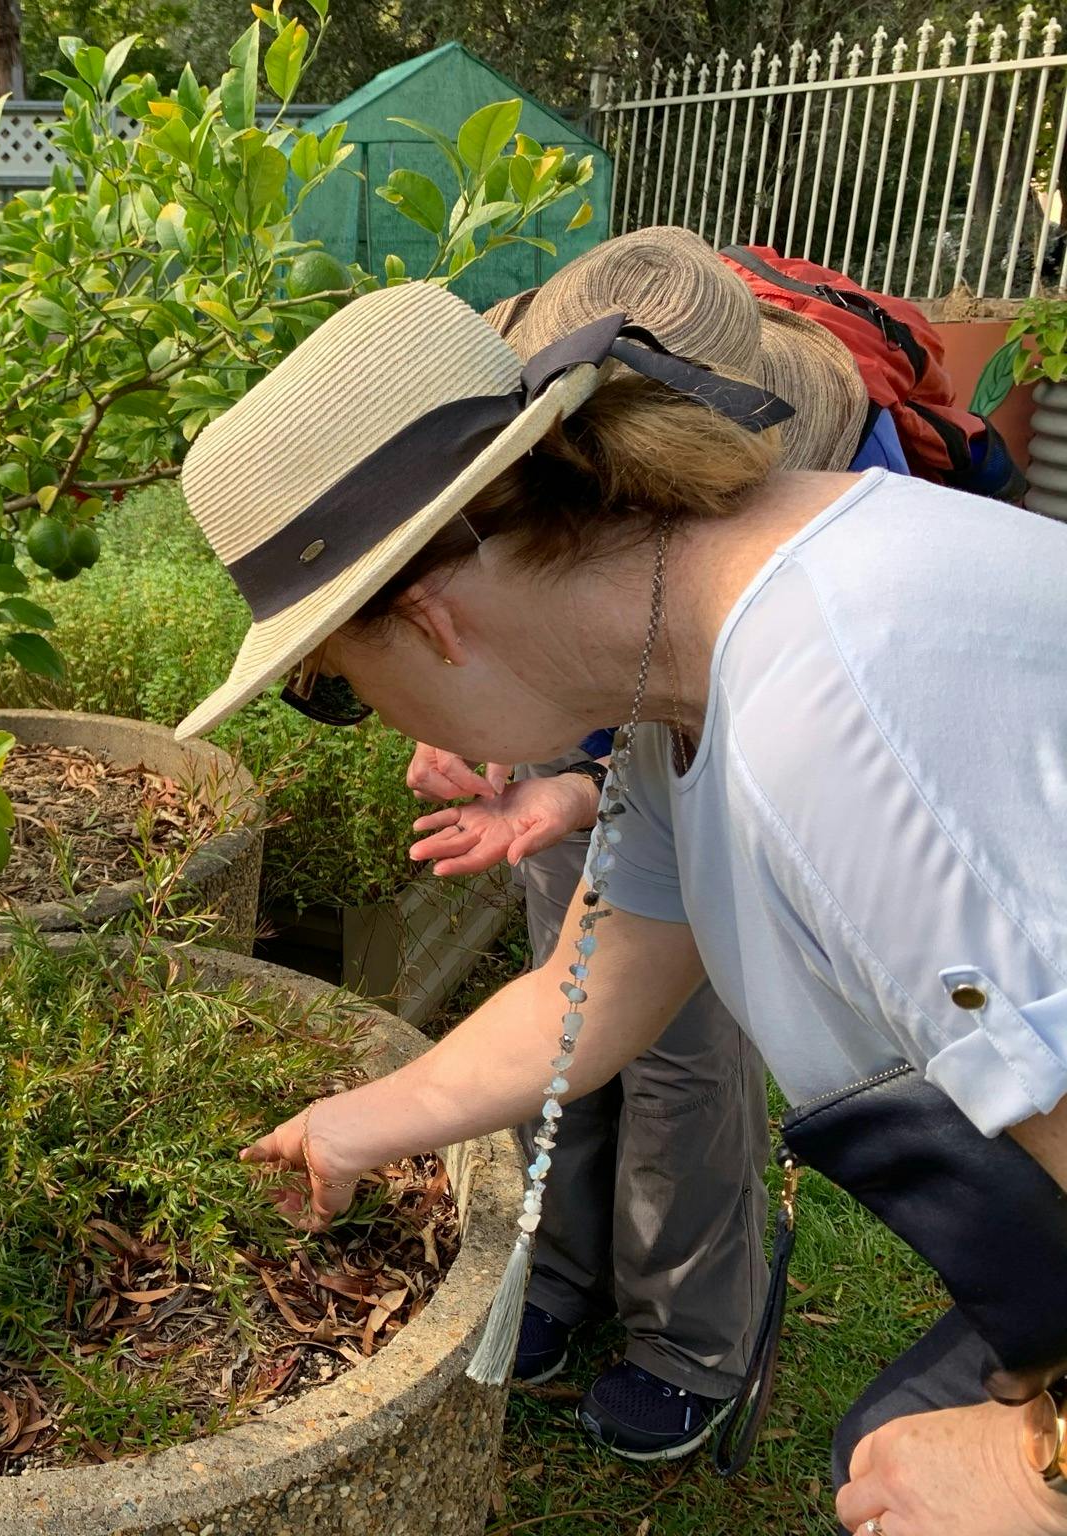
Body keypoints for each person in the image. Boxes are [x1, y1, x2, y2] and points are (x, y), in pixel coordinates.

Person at [174, 278, 1067, 1534]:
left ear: (428, 620)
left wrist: (1033, 1479)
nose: (364, 727)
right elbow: (589, 985)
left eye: (328, 689)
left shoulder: (838, 726)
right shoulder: (694, 667)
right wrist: (346, 1127)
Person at [394, 228, 887, 1462]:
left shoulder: (841, 530)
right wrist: (548, 768)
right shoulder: (553, 464)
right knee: (570, 1021)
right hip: (605, 758)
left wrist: (596, 781)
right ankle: (560, 1270)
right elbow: (576, 637)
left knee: (678, 1063)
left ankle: (689, 1339)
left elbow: (688, 652)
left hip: (717, 748)